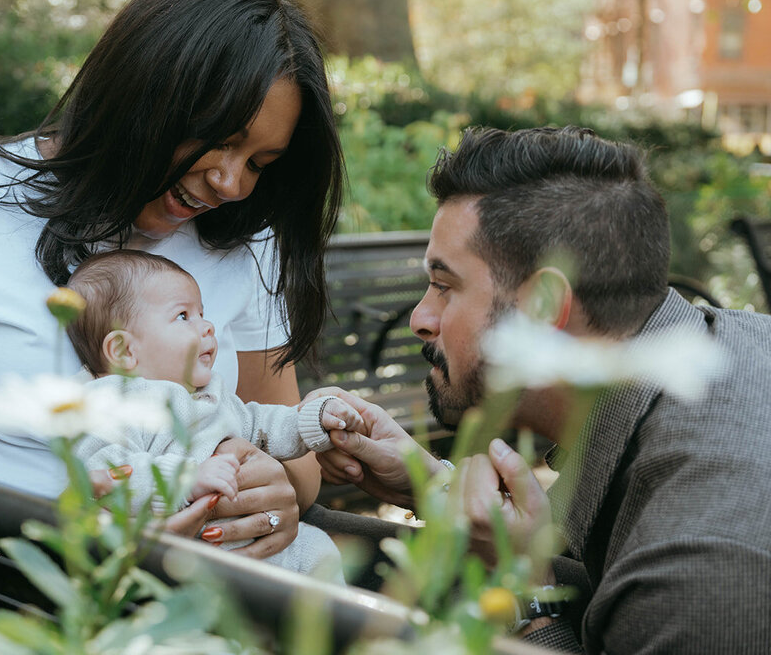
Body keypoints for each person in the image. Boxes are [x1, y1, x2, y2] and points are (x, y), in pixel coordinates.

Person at [0, 0, 345, 560]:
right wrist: (80, 554)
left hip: (206, 592)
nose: (230, 182)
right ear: (143, 95)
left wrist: (270, 491)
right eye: (220, 139)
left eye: (259, 163)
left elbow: (291, 461)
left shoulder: (244, 243)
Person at [316, 126, 771, 653]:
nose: (421, 318)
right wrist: (434, 487)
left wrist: (525, 594)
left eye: (444, 286)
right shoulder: (733, 343)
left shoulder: (701, 570)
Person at [66, 250, 360, 580]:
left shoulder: (210, 397)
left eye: (202, 314)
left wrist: (313, 420)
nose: (207, 327)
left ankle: (317, 629)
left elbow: (261, 424)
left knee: (317, 548)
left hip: (258, 546)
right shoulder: (112, 404)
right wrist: (185, 481)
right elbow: (105, 475)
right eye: (183, 316)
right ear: (123, 351)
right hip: (180, 563)